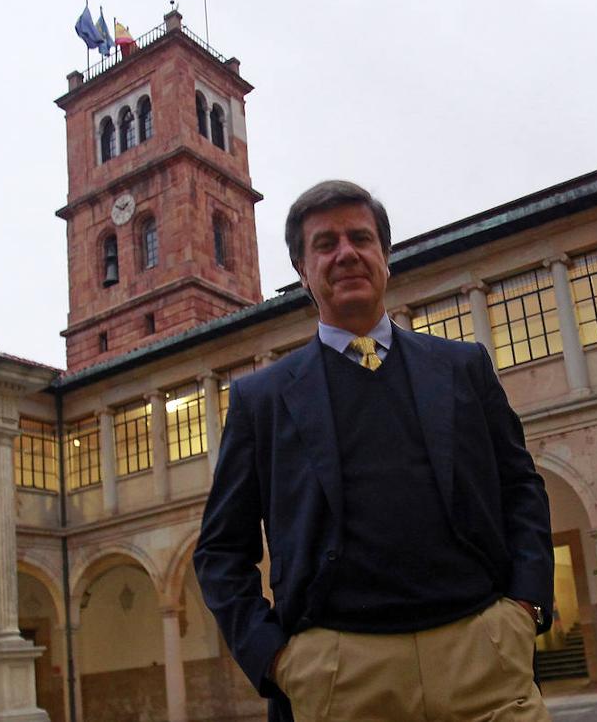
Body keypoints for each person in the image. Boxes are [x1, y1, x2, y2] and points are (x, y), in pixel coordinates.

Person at [194, 180, 554, 722]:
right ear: (302, 270)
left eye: (360, 238)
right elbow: (220, 550)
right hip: (341, 676)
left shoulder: (463, 367)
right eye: (325, 244)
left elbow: (520, 488)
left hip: (482, 654)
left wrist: (525, 606)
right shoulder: (260, 400)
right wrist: (278, 660)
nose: (346, 254)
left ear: (385, 255)